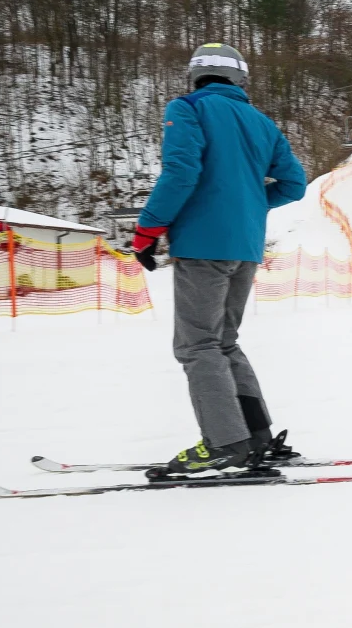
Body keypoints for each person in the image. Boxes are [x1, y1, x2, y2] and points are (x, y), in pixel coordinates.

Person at [133, 44, 307, 479]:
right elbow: (294, 184)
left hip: (203, 245)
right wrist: (249, 205)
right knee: (224, 341)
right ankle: (256, 437)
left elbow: (181, 172)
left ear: (196, 75)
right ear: (239, 79)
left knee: (198, 345)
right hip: (245, 247)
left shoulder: (188, 108)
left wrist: (148, 229)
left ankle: (224, 443)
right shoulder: (262, 122)